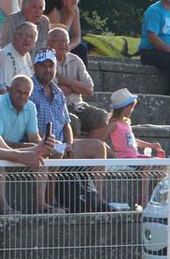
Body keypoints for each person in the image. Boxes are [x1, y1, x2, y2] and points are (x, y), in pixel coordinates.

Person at [30, 49, 108, 207]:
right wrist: (53, 144)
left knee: (98, 147)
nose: (48, 69)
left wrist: (69, 144)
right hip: (41, 143)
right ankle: (51, 202)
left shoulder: (58, 92)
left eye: (51, 66)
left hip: (62, 144)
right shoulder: (29, 90)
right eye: (43, 65)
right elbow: (30, 128)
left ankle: (98, 200)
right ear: (35, 67)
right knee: (55, 151)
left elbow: (66, 124)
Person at [0, 75, 57, 214]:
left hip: (9, 151)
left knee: (43, 160)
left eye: (26, 93)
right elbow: (3, 144)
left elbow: (34, 137)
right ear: (9, 90)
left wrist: (45, 145)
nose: (22, 96)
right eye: (19, 92)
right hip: (5, 153)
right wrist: (25, 152)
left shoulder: (30, 107)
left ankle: (41, 205)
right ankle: (4, 208)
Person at [104, 88, 163, 206]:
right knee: (147, 165)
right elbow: (101, 140)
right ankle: (144, 197)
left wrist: (151, 145)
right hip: (125, 158)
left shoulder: (126, 123)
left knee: (162, 163)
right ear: (123, 108)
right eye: (130, 108)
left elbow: (134, 141)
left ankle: (158, 194)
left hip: (135, 156)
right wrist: (111, 152)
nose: (131, 110)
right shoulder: (113, 124)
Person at [46, 27, 108, 139]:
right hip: (57, 108)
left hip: (78, 105)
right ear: (49, 43)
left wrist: (66, 81)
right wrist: (77, 86)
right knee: (73, 122)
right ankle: (75, 149)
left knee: (102, 117)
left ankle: (90, 147)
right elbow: (54, 93)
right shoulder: (45, 62)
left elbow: (89, 90)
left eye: (65, 41)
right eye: (58, 41)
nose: (63, 45)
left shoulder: (75, 60)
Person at [43, 0, 87, 64]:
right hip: (50, 44)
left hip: (64, 45)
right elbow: (59, 34)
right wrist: (70, 16)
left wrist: (69, 47)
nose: (74, 0)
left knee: (81, 48)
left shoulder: (75, 9)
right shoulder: (53, 9)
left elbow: (77, 37)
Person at [0, 21, 36, 93]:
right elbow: (7, 88)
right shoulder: (8, 55)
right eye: (23, 35)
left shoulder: (27, 55)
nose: (27, 39)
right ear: (14, 37)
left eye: (31, 37)